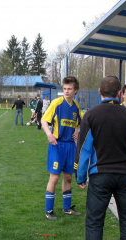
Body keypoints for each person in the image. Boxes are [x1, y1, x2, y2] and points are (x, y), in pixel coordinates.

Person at [73, 76, 126, 240]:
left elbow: (84, 150)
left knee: (95, 223)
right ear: (120, 93)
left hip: (100, 175)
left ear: (98, 92)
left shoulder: (91, 115)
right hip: (125, 176)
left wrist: (80, 177)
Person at [41, 76, 83, 220]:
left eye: (69, 89)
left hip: (70, 146)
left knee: (68, 177)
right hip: (57, 145)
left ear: (75, 90)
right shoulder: (56, 103)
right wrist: (49, 135)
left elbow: (79, 122)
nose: (66, 91)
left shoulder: (76, 106)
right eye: (64, 88)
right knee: (54, 177)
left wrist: (77, 131)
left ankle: (67, 208)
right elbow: (44, 120)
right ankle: (49, 210)